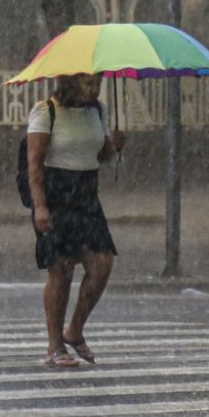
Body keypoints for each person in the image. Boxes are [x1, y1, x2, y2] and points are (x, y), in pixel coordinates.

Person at [26, 73, 125, 368]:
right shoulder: (46, 111)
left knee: (102, 263)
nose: (94, 89)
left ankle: (75, 329)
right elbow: (34, 163)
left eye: (97, 83)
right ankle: (55, 346)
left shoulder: (98, 111)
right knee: (62, 270)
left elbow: (102, 155)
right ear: (69, 82)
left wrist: (115, 145)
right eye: (87, 83)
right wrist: (40, 207)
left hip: (86, 194)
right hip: (56, 194)